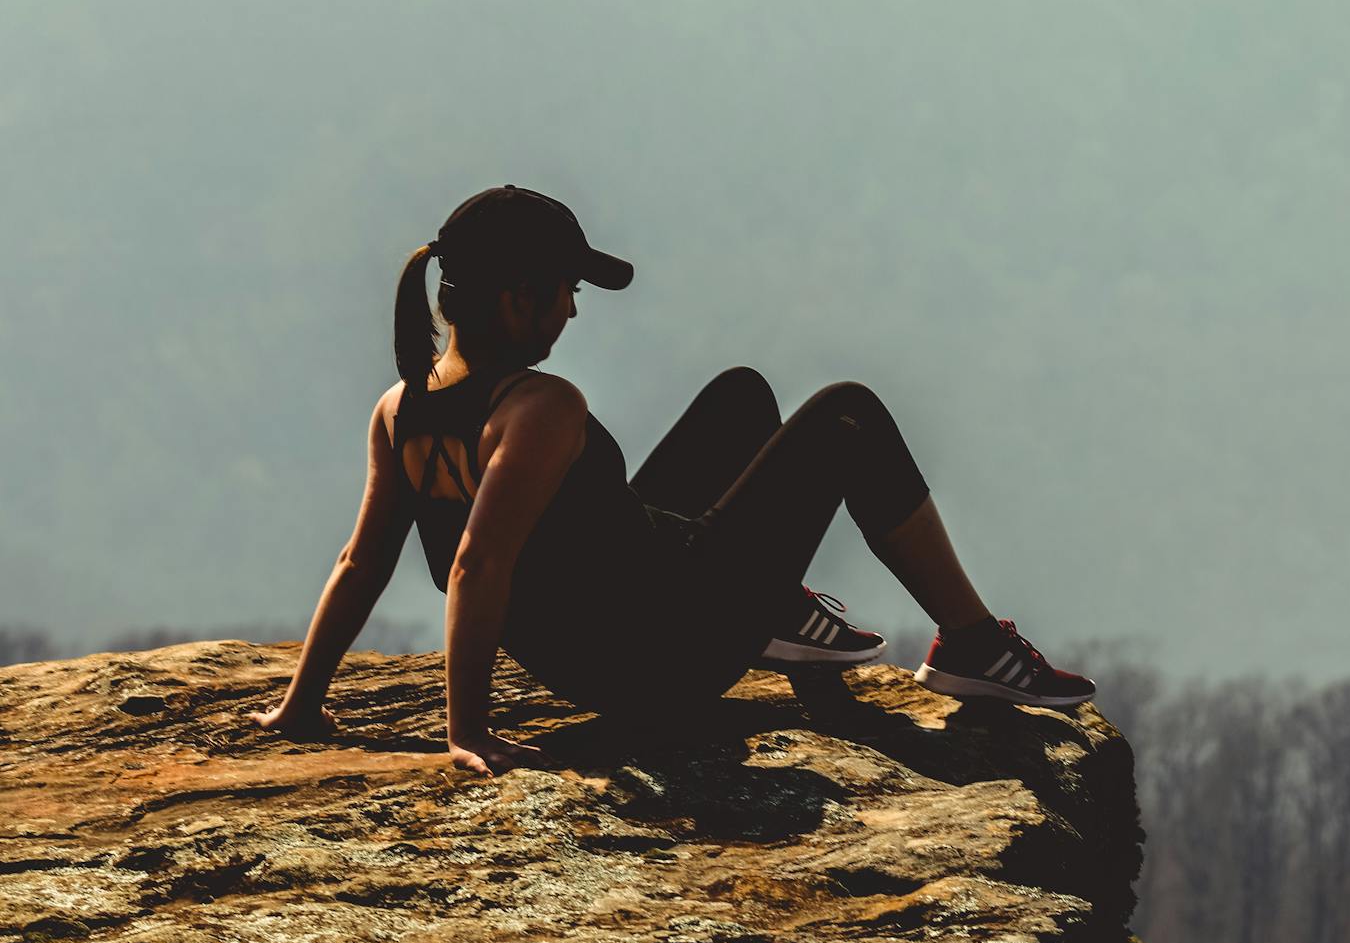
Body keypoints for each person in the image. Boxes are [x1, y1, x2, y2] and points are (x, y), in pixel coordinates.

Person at [252, 185, 1095, 774]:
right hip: (666, 654)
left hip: (601, 647)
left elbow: (360, 563)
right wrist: (466, 732)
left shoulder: (401, 409)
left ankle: (773, 608)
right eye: (565, 292)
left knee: (741, 399)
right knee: (847, 414)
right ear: (515, 302)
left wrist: (301, 703)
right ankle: (973, 646)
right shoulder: (537, 408)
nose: (573, 312)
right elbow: (478, 564)